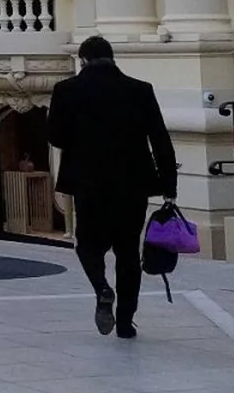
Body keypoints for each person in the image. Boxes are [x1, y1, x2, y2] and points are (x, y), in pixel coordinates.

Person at [46, 35, 178, 339]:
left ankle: (102, 288)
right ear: (112, 58)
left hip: (88, 184)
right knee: (128, 252)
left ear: (82, 60)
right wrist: (169, 186)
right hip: (132, 184)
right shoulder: (139, 90)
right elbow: (160, 140)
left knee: (88, 244)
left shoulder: (66, 91)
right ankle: (125, 323)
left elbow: (56, 137)